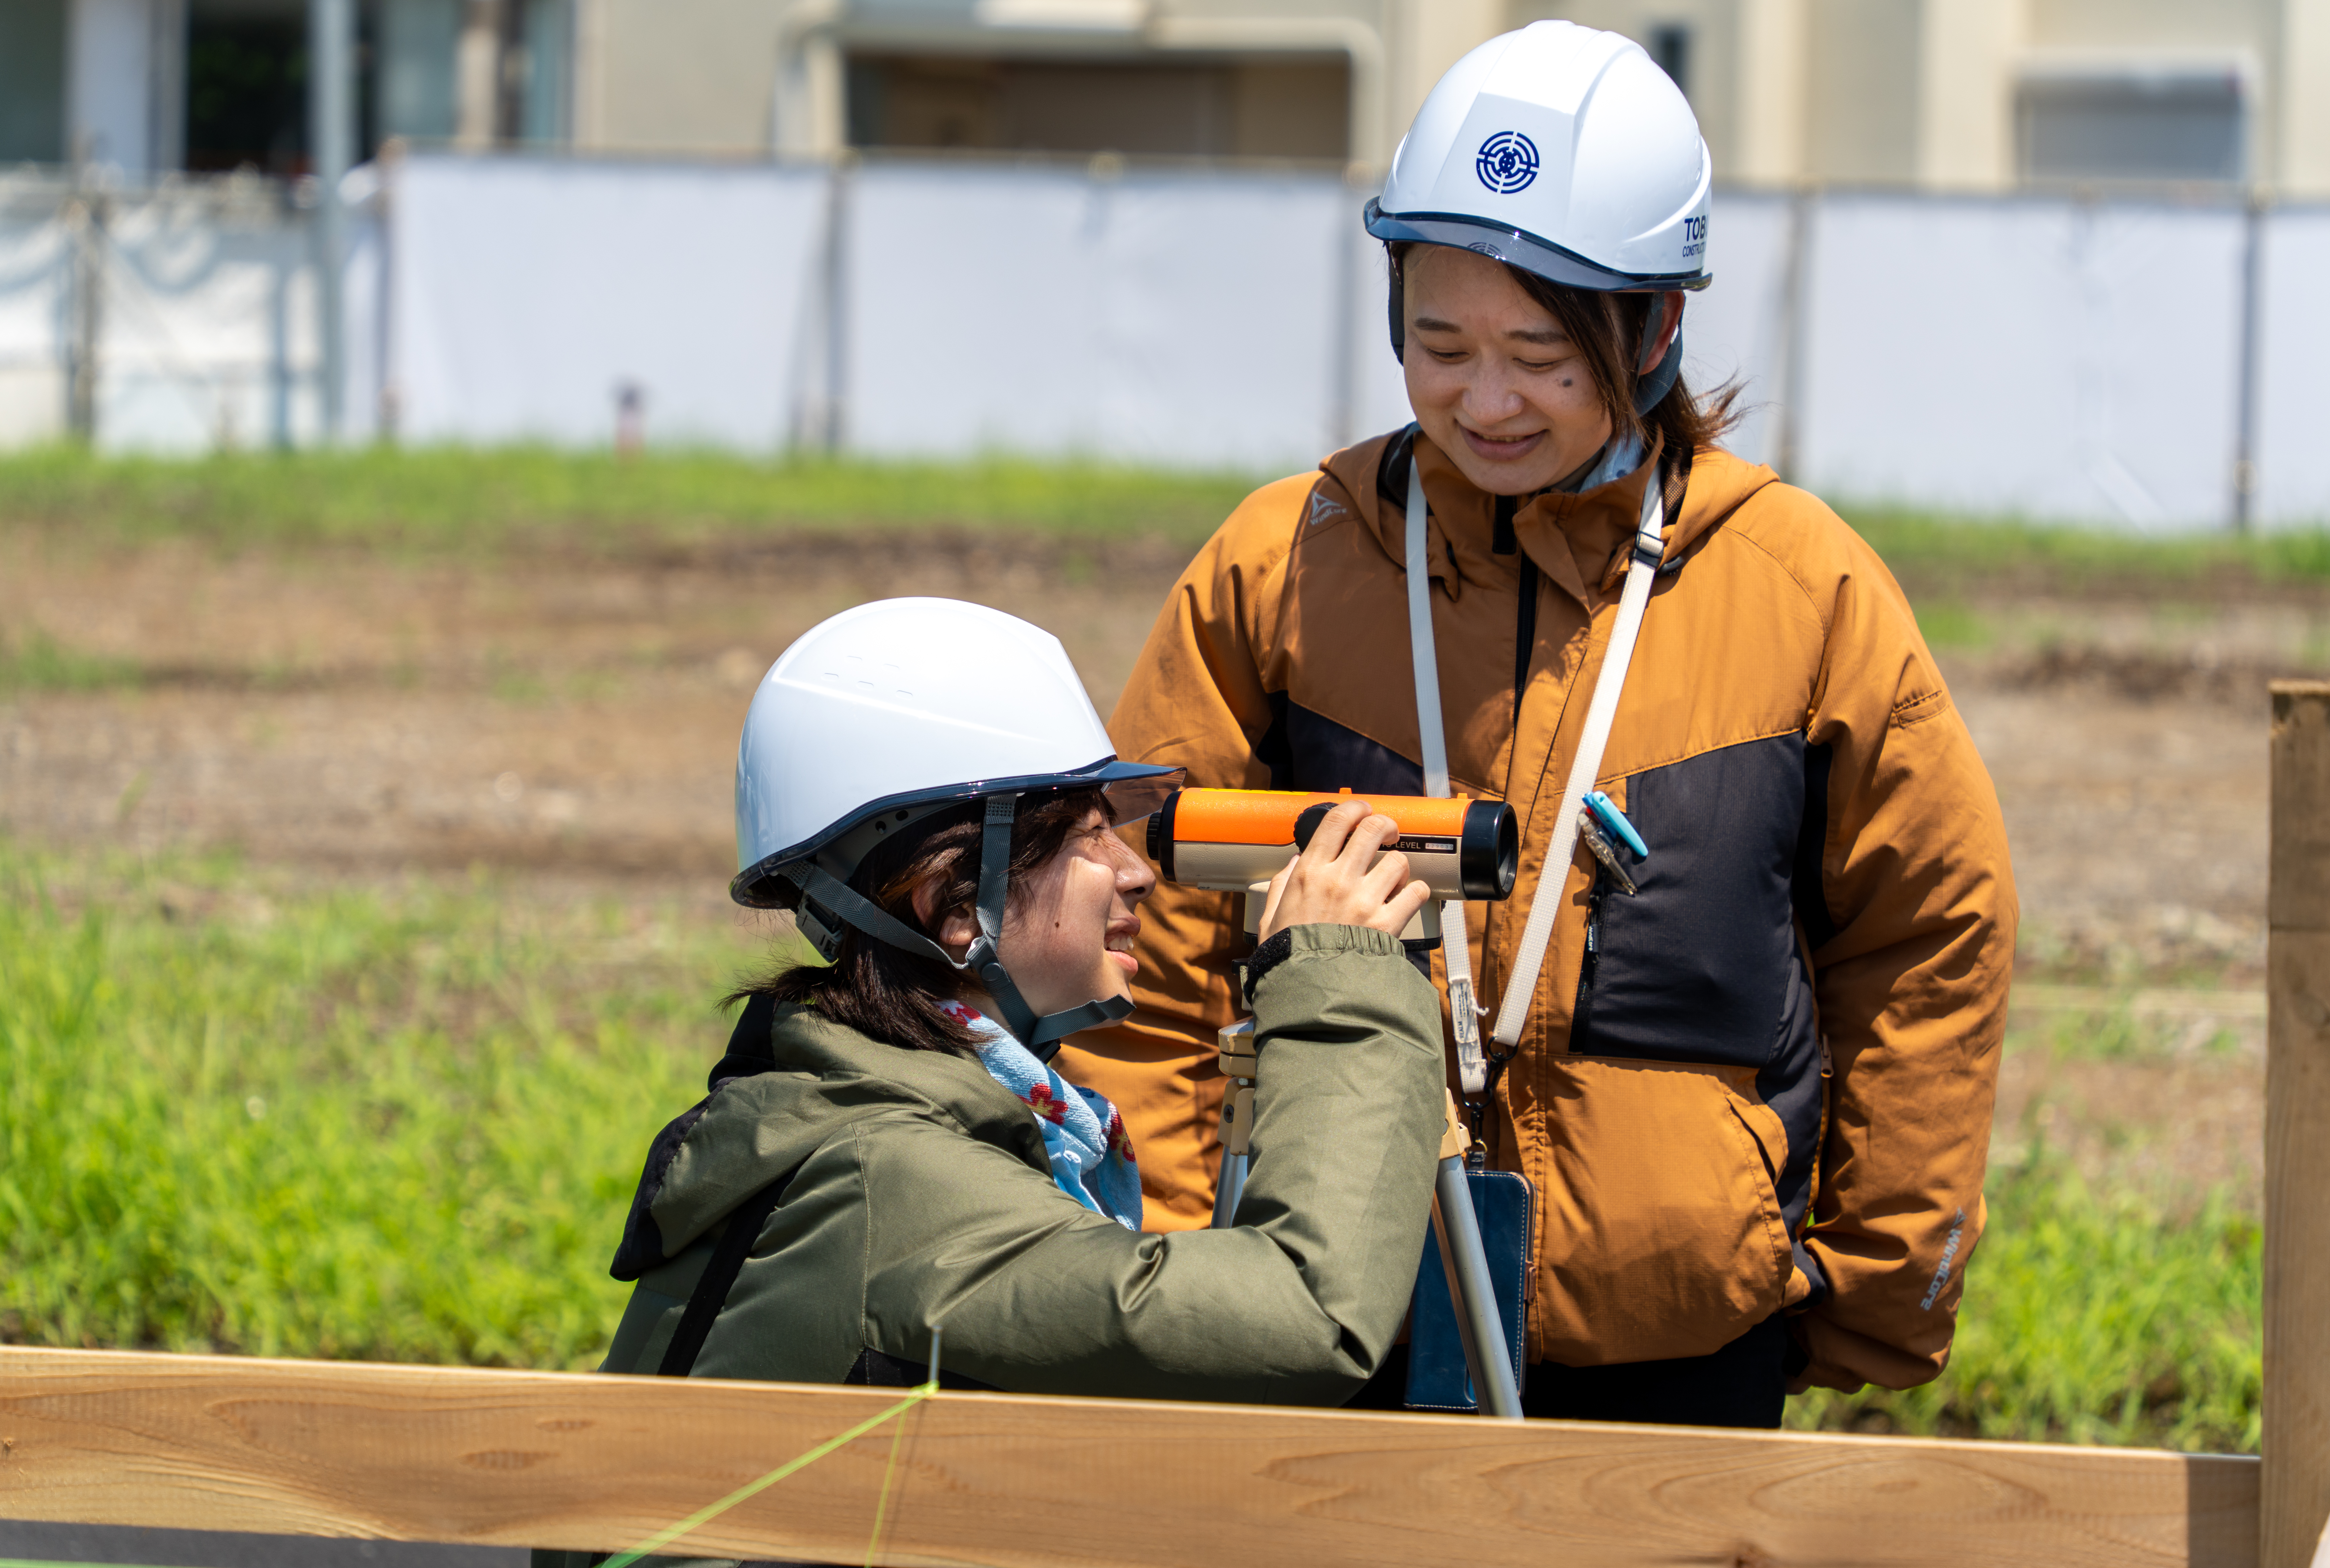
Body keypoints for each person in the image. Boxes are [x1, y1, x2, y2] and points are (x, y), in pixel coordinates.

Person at [1058, 20, 2016, 1428]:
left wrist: (1865, 1282)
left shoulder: (1800, 586)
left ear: (1655, 329)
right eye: (1439, 345)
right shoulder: (1283, 565)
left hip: (1684, 1346)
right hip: (1338, 1317)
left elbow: (1928, 929)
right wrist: (1178, 1271)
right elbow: (1142, 924)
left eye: (1540, 354)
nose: (1485, 400)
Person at [588, 596, 1445, 1405]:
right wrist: (1337, 977)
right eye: (1090, 834)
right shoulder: (891, 1181)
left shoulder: (884, 1122)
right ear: (954, 905)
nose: (1138, 873)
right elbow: (1307, 1317)